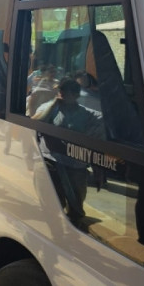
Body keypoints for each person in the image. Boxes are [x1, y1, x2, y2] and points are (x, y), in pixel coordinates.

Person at [33, 77, 104, 223]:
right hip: (50, 163)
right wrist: (54, 104)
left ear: (76, 95)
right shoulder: (49, 108)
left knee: (76, 208)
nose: (62, 95)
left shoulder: (87, 115)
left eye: (67, 92)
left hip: (75, 167)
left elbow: (95, 143)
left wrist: (98, 169)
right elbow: (35, 122)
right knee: (50, 206)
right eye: (61, 91)